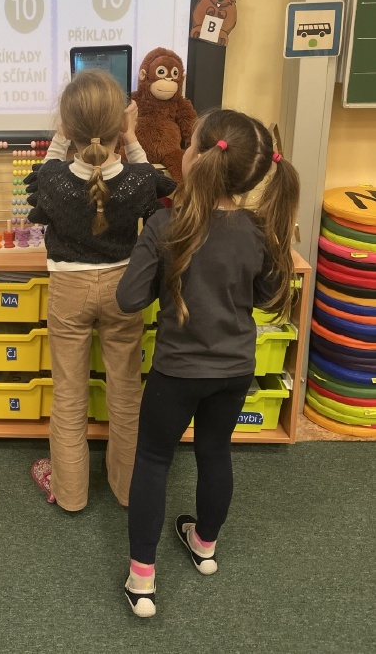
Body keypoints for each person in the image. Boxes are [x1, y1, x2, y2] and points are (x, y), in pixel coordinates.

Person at [116, 108, 300, 618]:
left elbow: (129, 299)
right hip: (234, 371)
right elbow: (264, 295)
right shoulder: (257, 229)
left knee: (153, 460)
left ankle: (142, 579)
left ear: (195, 158)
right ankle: (205, 546)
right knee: (215, 451)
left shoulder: (166, 224)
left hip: (177, 372)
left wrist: (159, 268)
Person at [25, 68, 176, 512]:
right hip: (122, 290)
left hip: (68, 291)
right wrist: (132, 137)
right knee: (126, 393)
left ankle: (70, 494)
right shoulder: (138, 180)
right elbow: (149, 175)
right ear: (121, 126)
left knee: (69, 394)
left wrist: (61, 136)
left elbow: (49, 170)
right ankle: (127, 489)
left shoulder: (52, 180)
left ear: (67, 128)